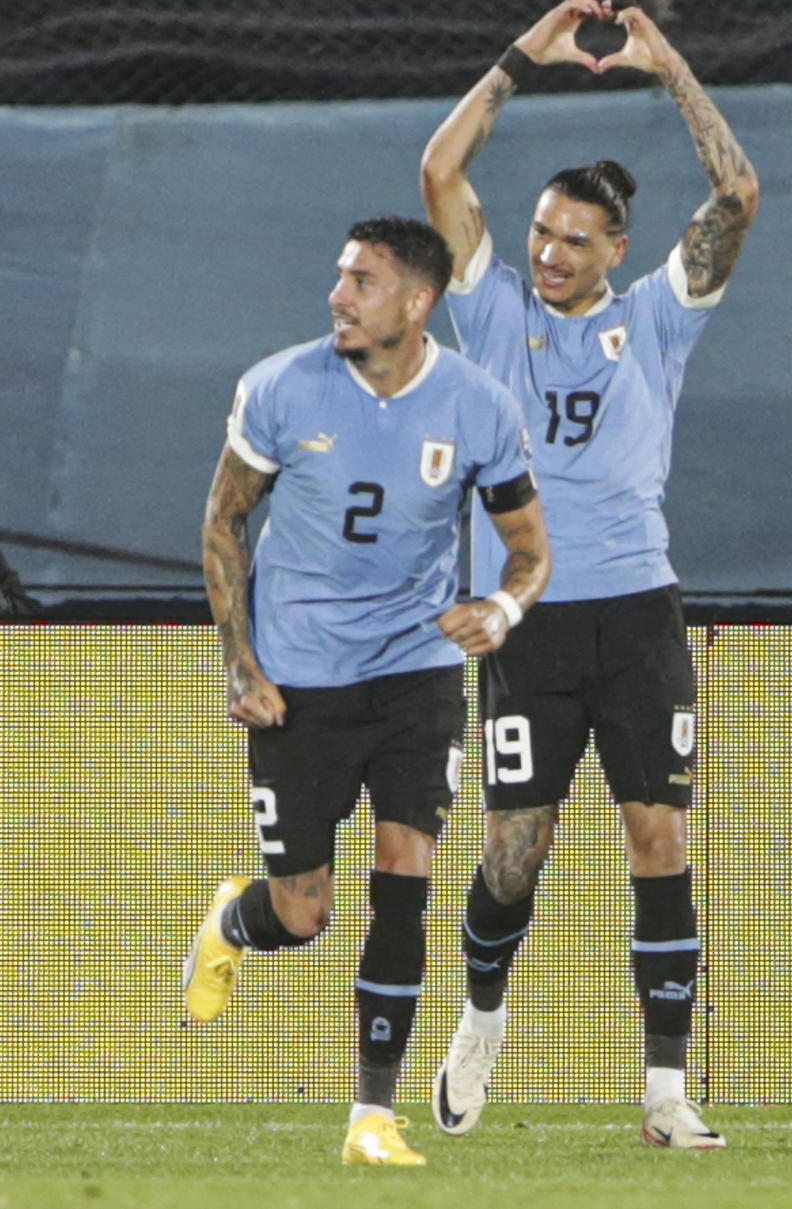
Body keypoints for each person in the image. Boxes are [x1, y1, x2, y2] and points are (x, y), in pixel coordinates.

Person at [417, 0, 758, 1148]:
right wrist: (521, 58)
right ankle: (481, 1018)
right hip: (531, 618)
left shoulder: (660, 317)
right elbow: (438, 169)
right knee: (516, 856)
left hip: (640, 613)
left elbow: (738, 198)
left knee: (659, 836)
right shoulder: (495, 314)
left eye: (575, 240)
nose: (549, 254)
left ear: (616, 250)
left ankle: (665, 1092)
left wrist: (668, 69)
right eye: (542, 233)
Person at [185, 216, 551, 1166]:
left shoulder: (476, 404)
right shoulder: (280, 387)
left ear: (418, 301)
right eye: (340, 275)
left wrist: (501, 611)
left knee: (406, 881)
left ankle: (371, 1116)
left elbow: (530, 551)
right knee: (302, 913)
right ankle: (237, 917)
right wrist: (241, 660)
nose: (338, 296)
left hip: (416, 672)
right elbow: (223, 523)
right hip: (298, 680)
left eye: (362, 281)